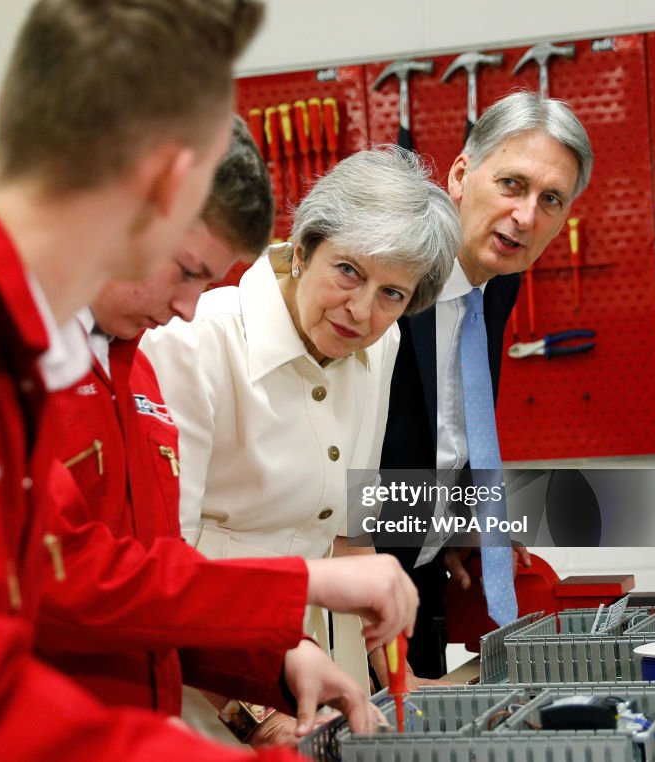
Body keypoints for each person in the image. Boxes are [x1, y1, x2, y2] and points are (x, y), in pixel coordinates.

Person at [0, 3, 415, 760]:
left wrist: (262, 648)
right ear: (148, 180)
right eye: (184, 255)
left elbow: (63, 574)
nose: (187, 303)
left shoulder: (3, 352)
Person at [141, 145, 460, 745]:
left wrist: (400, 679)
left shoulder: (377, 348)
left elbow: (347, 538)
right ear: (306, 245)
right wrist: (259, 720)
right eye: (349, 271)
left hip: (313, 682)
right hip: (203, 703)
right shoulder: (195, 344)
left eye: (393, 294)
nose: (362, 311)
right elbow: (165, 573)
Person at [379, 91, 594, 678]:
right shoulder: (388, 277)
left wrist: (451, 520)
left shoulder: (498, 279)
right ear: (459, 175)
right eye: (512, 185)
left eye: (551, 199)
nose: (527, 217)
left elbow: (446, 417)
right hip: (343, 607)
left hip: (419, 596)